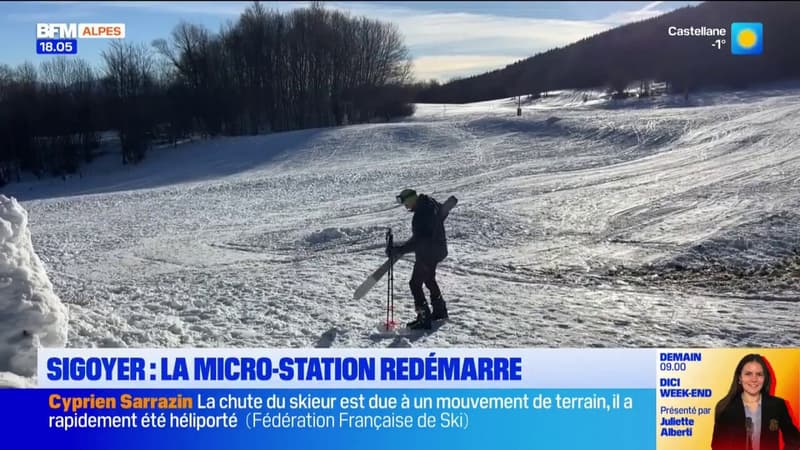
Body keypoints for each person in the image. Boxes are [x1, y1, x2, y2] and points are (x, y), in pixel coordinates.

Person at [387, 189, 448, 330]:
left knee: (415, 284)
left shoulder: (421, 215)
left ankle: (424, 318)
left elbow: (419, 242)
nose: (405, 206)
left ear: (411, 199)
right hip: (438, 249)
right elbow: (442, 212)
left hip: (428, 253)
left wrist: (399, 250)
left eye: (406, 203)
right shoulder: (430, 203)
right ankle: (440, 311)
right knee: (429, 279)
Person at [711, 353, 800, 450]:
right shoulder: (725, 408)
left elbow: (794, 440)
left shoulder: (777, 406)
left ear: (765, 378)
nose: (754, 379)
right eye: (748, 374)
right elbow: (717, 446)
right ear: (740, 378)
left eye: (759, 374)